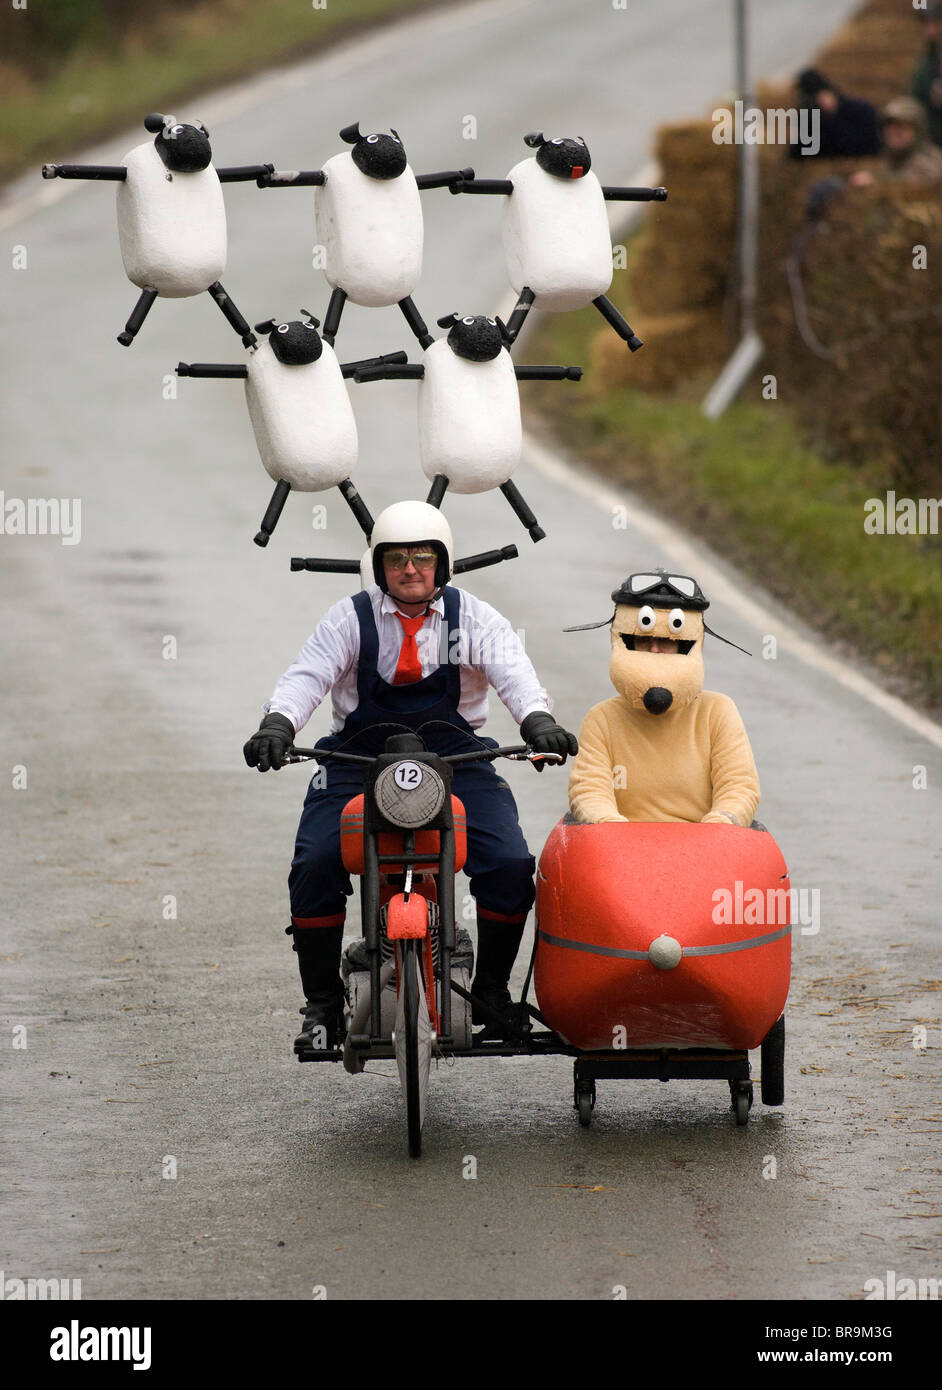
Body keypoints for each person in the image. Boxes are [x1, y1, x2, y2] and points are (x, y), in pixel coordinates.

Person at [243, 501, 578, 1051]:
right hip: (358, 761)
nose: (410, 569)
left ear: (443, 563)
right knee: (316, 862)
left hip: (457, 761)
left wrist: (538, 721)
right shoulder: (348, 618)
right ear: (377, 566)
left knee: (512, 863)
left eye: (423, 557)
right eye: (395, 558)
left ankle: (492, 991)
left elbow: (514, 674)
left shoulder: (475, 618)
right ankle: (323, 1004)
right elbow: (306, 677)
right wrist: (277, 725)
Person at [788, 69, 881, 160]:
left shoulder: (860, 110)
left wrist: (831, 117)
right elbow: (797, 153)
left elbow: (859, 146)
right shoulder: (811, 117)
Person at [850, 96, 942, 187]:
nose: (893, 133)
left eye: (901, 127)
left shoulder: (929, 159)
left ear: (917, 131)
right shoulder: (894, 155)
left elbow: (920, 182)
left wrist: (876, 179)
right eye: (889, 127)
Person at [910, 1, 942, 150]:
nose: (929, 29)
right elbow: (915, 98)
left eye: (934, 22)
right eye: (926, 23)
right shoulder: (928, 62)